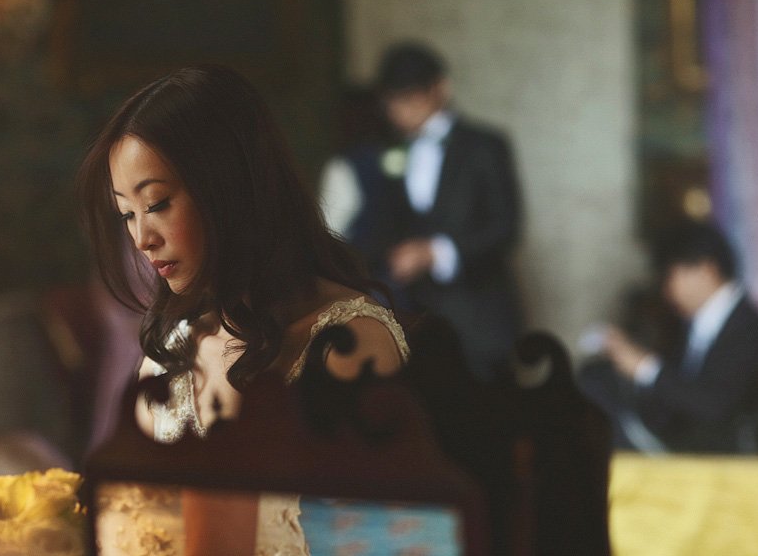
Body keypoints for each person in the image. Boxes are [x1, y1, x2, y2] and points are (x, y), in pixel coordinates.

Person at [76, 64, 410, 554]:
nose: (142, 239)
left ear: (230, 189)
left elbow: (386, 536)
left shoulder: (346, 341)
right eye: (127, 212)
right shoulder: (171, 349)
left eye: (159, 203)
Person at [355, 41, 522, 380]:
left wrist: (436, 253)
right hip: (409, 317)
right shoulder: (389, 151)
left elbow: (507, 226)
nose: (401, 111)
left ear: (440, 89)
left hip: (477, 318)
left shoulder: (485, 146)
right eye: (392, 102)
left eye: (410, 99)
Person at [578, 220, 758, 454]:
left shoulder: (746, 327)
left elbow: (714, 406)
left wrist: (644, 367)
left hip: (723, 450)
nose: (667, 290)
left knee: (598, 400)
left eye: (671, 277)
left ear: (706, 270)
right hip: (689, 437)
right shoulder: (701, 322)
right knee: (596, 379)